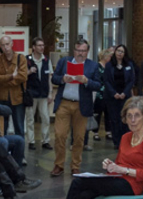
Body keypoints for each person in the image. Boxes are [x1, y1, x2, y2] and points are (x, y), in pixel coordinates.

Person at [51, 40, 101, 176]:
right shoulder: (64, 62)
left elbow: (98, 85)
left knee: (79, 138)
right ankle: (59, 165)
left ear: (87, 52)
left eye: (83, 51)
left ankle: (75, 165)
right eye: (78, 50)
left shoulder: (93, 66)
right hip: (64, 103)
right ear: (74, 51)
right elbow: (54, 78)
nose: (80, 53)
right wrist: (63, 79)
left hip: (81, 105)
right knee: (60, 135)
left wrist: (86, 81)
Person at [0, 35, 28, 136]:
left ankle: (19, 146)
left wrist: (4, 81)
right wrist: (11, 76)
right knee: (2, 128)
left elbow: (22, 77)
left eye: (7, 44)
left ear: (12, 44)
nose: (5, 47)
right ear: (0, 47)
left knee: (19, 127)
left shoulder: (21, 58)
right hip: (2, 98)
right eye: (3, 45)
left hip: (17, 98)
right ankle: (4, 146)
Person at [103, 44, 136, 149]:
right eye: (118, 51)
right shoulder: (109, 65)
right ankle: (117, 142)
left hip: (125, 96)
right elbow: (106, 80)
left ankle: (126, 140)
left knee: (126, 119)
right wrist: (114, 93)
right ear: (115, 52)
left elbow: (131, 80)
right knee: (114, 119)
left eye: (122, 51)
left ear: (125, 54)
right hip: (112, 97)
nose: (120, 53)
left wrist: (124, 93)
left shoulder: (129, 65)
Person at [25, 37, 53, 151]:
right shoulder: (27, 60)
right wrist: (29, 71)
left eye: (43, 45)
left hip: (43, 94)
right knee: (30, 119)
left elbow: (49, 77)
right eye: (39, 45)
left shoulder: (46, 60)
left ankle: (45, 141)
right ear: (34, 47)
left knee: (45, 118)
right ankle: (31, 141)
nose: (42, 47)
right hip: (31, 94)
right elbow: (21, 76)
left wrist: (50, 93)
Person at [91, 47, 115, 143]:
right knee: (98, 112)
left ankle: (108, 131)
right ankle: (95, 132)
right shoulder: (97, 66)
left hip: (109, 93)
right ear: (105, 57)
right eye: (110, 56)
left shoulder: (110, 67)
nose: (111, 58)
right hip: (99, 94)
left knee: (108, 113)